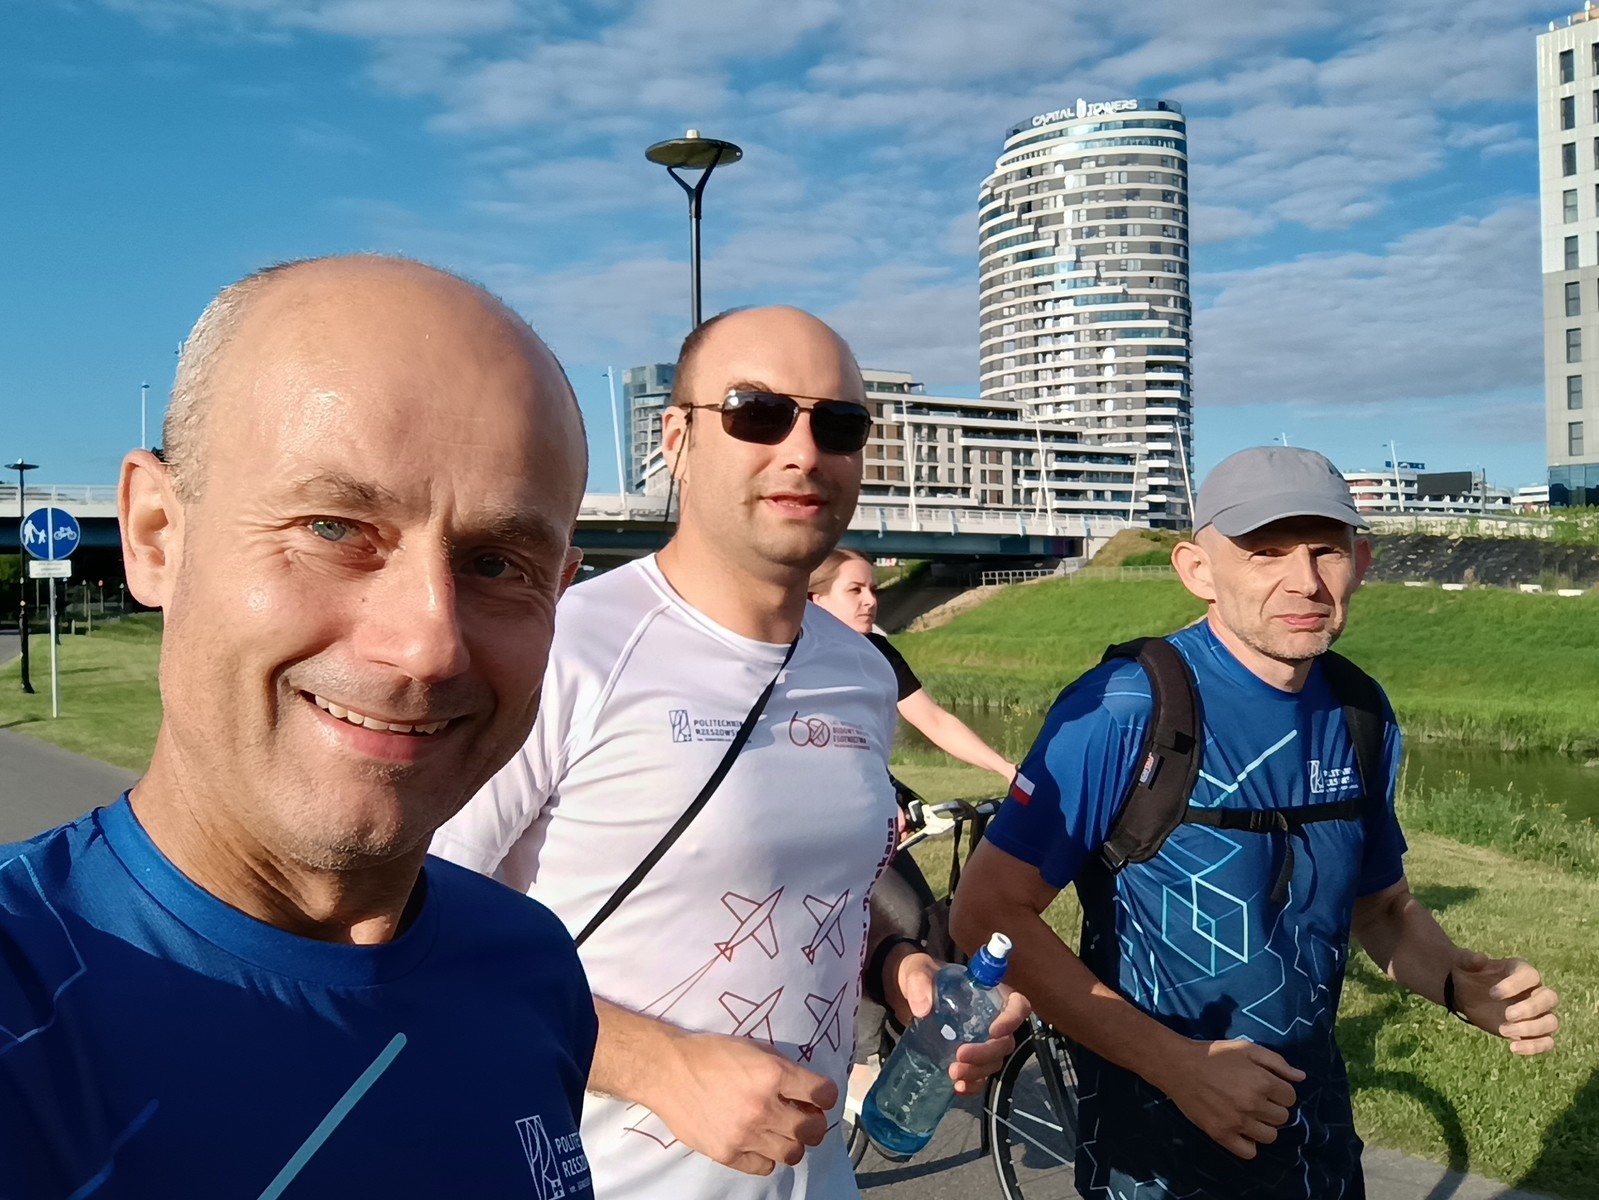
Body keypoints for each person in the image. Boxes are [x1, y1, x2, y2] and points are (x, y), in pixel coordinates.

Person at [0, 257, 600, 1197]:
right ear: (156, 536)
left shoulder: (531, 970)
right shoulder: (22, 1002)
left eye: (495, 563)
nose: (428, 646)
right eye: (332, 528)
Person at [432, 305, 1028, 1199]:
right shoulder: (564, 647)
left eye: (839, 425)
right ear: (676, 439)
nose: (803, 452)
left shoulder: (862, 675)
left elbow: (820, 901)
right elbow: (405, 935)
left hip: (815, 1179)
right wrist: (658, 1066)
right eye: (758, 413)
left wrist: (899, 971)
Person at [950, 446, 1561, 1199]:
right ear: (1197, 570)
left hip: (1313, 1141)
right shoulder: (1126, 709)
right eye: (1264, 552)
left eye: (1325, 550)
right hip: (1159, 1150)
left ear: (1359, 562)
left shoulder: (1358, 710)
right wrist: (1177, 1065)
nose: (1303, 581)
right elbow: (986, 913)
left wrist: (1459, 984)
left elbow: (1381, 908)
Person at [808, 548, 1015, 787]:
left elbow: (934, 720)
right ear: (817, 599)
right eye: (855, 590)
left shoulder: (879, 652)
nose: (870, 601)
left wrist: (1006, 769)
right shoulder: (792, 653)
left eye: (873, 590)